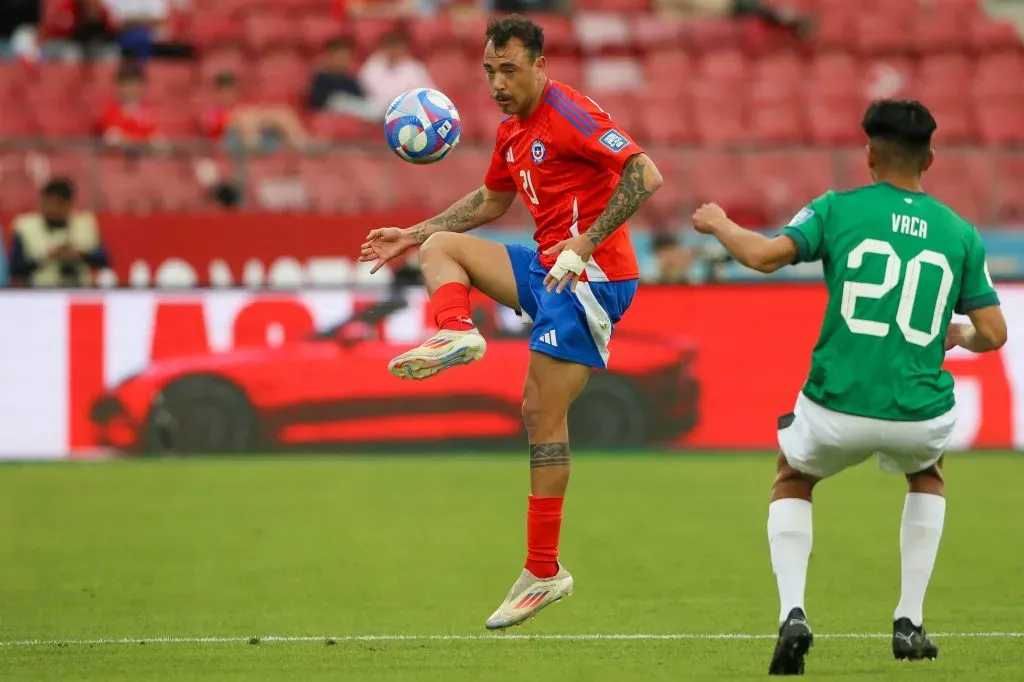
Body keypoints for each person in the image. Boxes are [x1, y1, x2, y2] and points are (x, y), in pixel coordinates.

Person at [359, 15, 663, 629]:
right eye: (489, 71)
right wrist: (411, 233)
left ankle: (543, 571)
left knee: (540, 413)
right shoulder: (512, 131)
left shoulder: (568, 112)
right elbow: (491, 200)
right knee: (440, 248)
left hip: (592, 275)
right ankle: (456, 329)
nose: (498, 83)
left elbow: (644, 174)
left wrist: (586, 241)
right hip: (549, 266)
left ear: (539, 66)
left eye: (509, 70)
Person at [691, 99, 1007, 675]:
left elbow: (762, 257)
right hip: (918, 412)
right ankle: (909, 621)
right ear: (930, 159)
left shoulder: (836, 208)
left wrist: (718, 223)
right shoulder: (961, 233)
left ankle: (793, 613)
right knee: (927, 472)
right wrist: (958, 332)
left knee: (793, 476)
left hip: (836, 407)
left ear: (869, 155)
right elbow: (995, 332)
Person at [8, 178, 111, 287]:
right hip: (39, 290)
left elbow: (105, 260)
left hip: (80, 288)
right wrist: (47, 258)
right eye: (49, 203)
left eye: (60, 204)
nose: (54, 209)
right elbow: (15, 268)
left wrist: (79, 255)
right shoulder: (25, 226)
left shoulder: (85, 224)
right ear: (42, 201)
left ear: (69, 204)